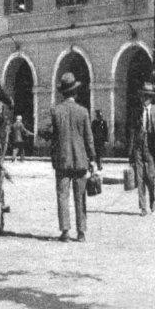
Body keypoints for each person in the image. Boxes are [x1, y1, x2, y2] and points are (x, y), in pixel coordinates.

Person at [45, 72, 96, 242]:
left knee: (62, 196)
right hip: (81, 160)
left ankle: (65, 231)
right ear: (75, 92)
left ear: (63, 93)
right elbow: (89, 138)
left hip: (62, 160)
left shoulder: (56, 111)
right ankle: (81, 232)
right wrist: (93, 158)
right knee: (80, 196)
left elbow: (48, 133)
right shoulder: (83, 112)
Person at [128, 82, 155, 216]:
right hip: (138, 147)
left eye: (146, 97)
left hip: (150, 147)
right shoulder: (136, 111)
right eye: (142, 97)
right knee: (139, 178)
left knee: (150, 177)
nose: (143, 99)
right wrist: (130, 152)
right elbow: (132, 132)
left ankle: (152, 198)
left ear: (150, 98)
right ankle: (143, 207)